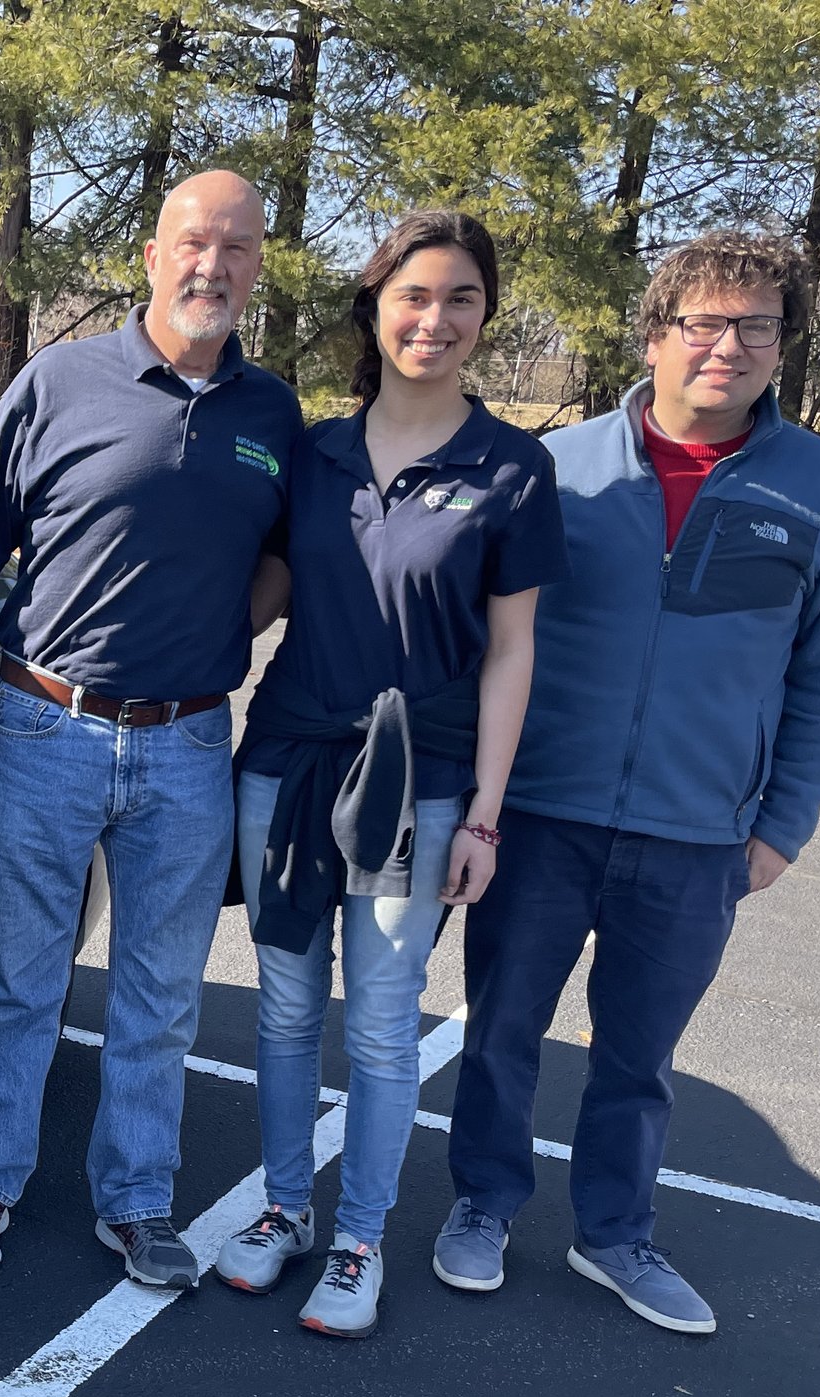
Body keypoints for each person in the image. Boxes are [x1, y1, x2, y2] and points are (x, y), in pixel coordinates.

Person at [432, 230, 820, 1334]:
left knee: (639, 1056)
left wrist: (782, 827)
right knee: (500, 1030)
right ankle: (480, 1203)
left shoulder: (818, 483)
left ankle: (615, 1237)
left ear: (779, 345)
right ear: (655, 333)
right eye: (705, 322)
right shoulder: (557, 468)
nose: (728, 345)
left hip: (697, 836)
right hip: (540, 818)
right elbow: (488, 646)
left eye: (755, 326)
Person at [0, 170, 303, 1287]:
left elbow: (287, 552)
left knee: (158, 995)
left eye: (236, 249)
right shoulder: (59, 381)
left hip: (187, 745)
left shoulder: (271, 415)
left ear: (255, 270)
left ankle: (136, 1201)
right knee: (15, 979)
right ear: (151, 254)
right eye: (193, 242)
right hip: (45, 727)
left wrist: (231, 627)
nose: (212, 267)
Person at [214, 210, 563, 1337]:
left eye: (460, 298)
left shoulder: (512, 467)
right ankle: (281, 1212)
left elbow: (513, 652)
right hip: (286, 760)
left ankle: (358, 1237)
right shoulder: (311, 453)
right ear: (375, 308)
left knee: (375, 1018)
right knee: (278, 1007)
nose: (435, 318)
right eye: (414, 295)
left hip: (421, 783)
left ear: (482, 317)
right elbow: (256, 596)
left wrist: (487, 817)